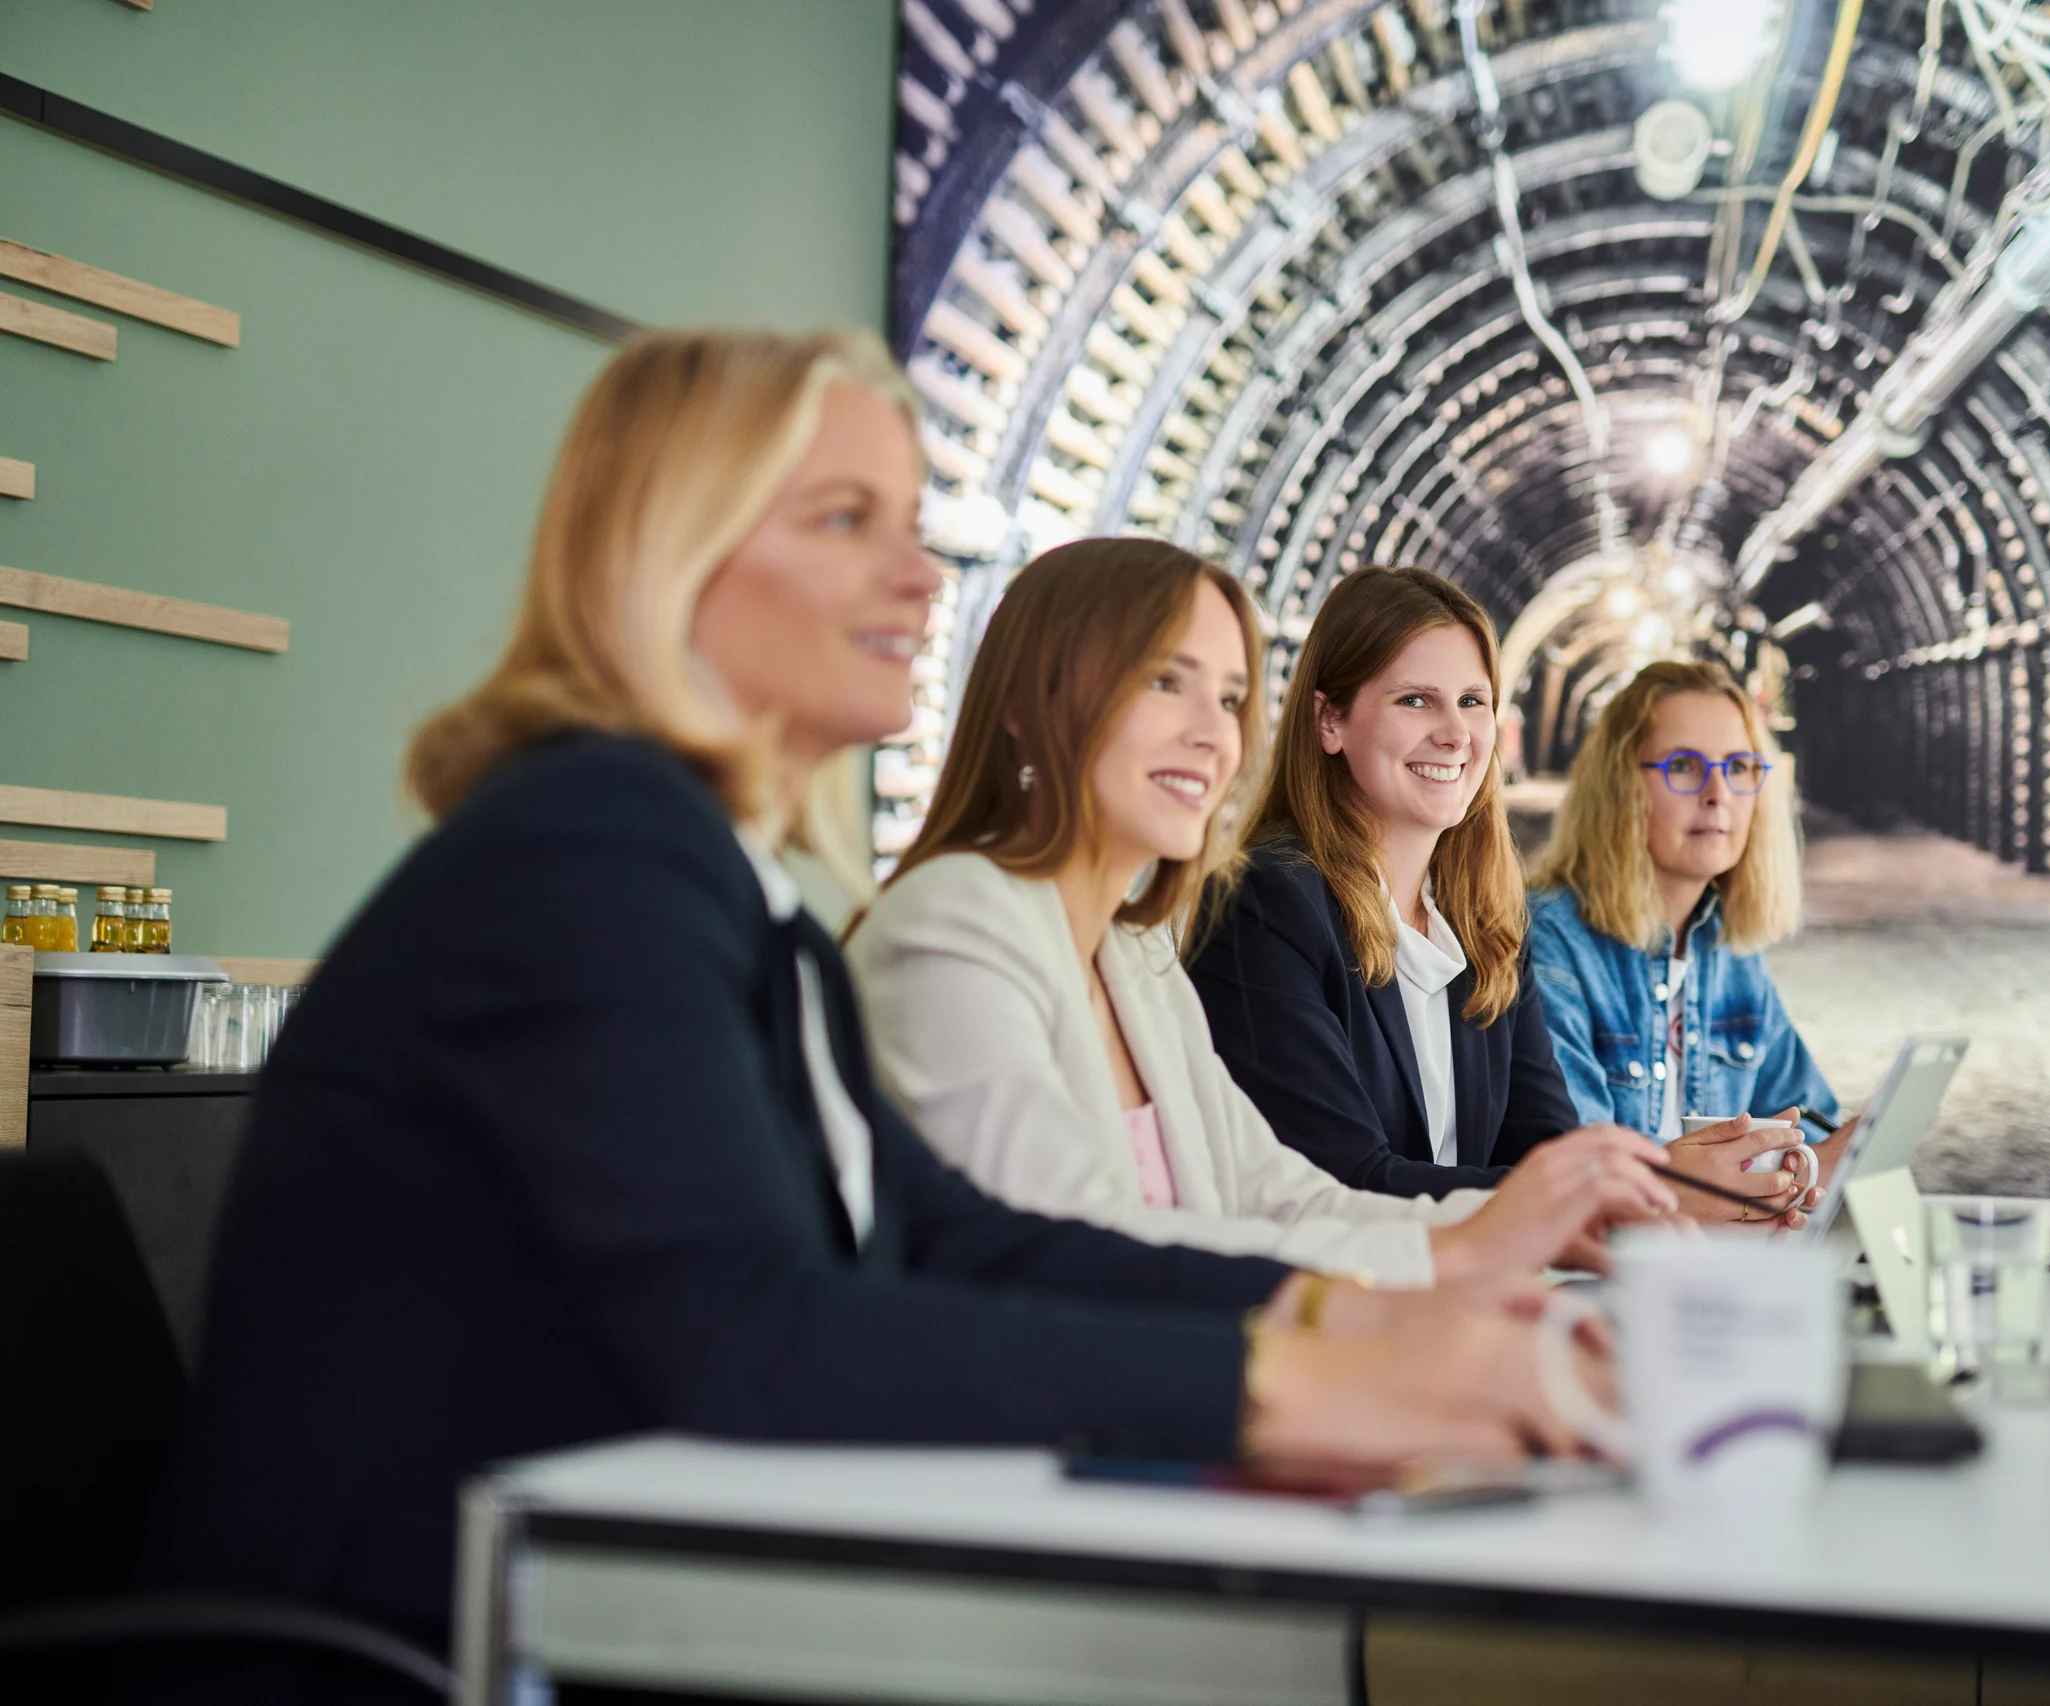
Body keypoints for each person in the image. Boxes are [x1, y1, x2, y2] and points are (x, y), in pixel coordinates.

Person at [146, 333, 1592, 1671]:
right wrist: (1288, 1384)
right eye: (846, 522)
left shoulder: (731, 886)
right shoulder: (586, 852)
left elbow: (962, 1241)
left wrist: (1355, 1306)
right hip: (398, 1645)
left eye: (911, 528)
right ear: (669, 557)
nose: (918, 579)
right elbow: (761, 1329)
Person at [851, 539, 1675, 1289]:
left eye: (1232, 696)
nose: (1213, 733)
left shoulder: (1134, 960)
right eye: (1165, 681)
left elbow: (1277, 1197)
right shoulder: (952, 925)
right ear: (1031, 704)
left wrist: (1556, 1216)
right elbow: (1070, 1251)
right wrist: (1463, 1256)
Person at [1188, 567, 1810, 1221]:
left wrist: (1693, 1187)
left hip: (1468, 1296)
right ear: (1330, 720)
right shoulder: (1264, 904)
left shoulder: (1483, 926)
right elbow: (1342, 1186)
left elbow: (1547, 1150)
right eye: (1414, 700)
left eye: (1472, 701)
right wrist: (1639, 1187)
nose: (1455, 733)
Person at [1528, 659, 1846, 1178]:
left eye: (1739, 767)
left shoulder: (1728, 952)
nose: (1717, 793)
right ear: (1619, 787)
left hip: (1717, 1253)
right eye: (1683, 766)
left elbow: (1809, 1121)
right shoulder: (1552, 946)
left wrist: (1835, 1153)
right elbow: (1582, 1170)